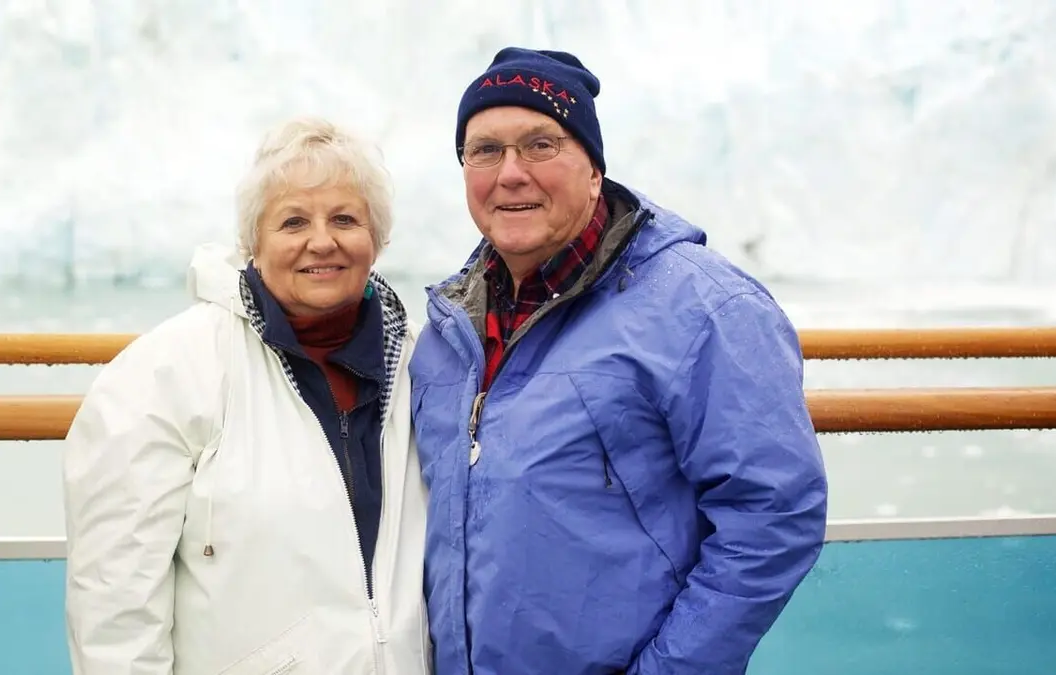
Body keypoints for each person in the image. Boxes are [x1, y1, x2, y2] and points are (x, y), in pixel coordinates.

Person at [409, 47, 829, 674]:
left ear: (594, 170)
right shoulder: (450, 330)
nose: (511, 173)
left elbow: (773, 515)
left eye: (541, 145)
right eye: (485, 150)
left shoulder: (703, 307)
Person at [62, 117, 431, 675]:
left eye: (346, 219)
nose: (322, 241)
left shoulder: (421, 367)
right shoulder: (169, 373)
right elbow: (116, 602)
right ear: (251, 242)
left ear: (376, 239)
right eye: (293, 221)